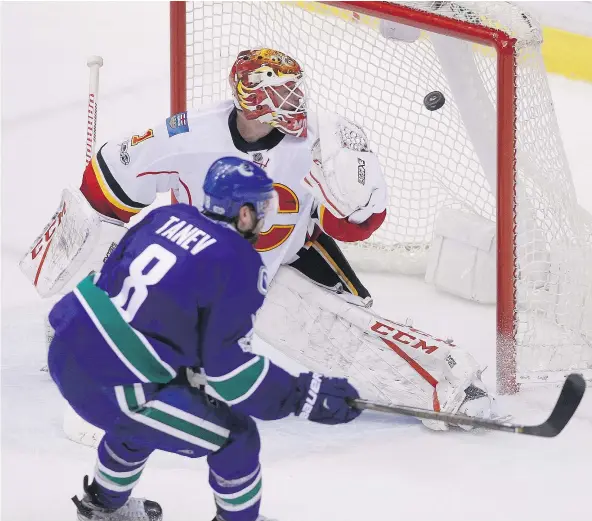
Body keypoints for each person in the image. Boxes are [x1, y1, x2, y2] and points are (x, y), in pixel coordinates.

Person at [24, 48, 497, 432]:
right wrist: (78, 262)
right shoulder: (190, 136)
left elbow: (355, 228)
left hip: (295, 252)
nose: (295, 102)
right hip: (216, 275)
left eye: (296, 89)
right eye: (281, 93)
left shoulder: (322, 138)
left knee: (350, 330)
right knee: (186, 339)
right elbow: (107, 180)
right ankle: (94, 323)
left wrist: (353, 188)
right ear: (250, 100)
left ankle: (444, 387)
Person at [47, 157, 361, 521]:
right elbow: (233, 377)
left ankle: (101, 507)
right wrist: (303, 394)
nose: (263, 218)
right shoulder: (240, 261)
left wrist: (184, 364)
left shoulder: (162, 218)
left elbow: (119, 286)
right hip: (117, 384)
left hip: (67, 348)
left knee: (151, 409)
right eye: (261, 207)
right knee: (236, 436)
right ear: (243, 214)